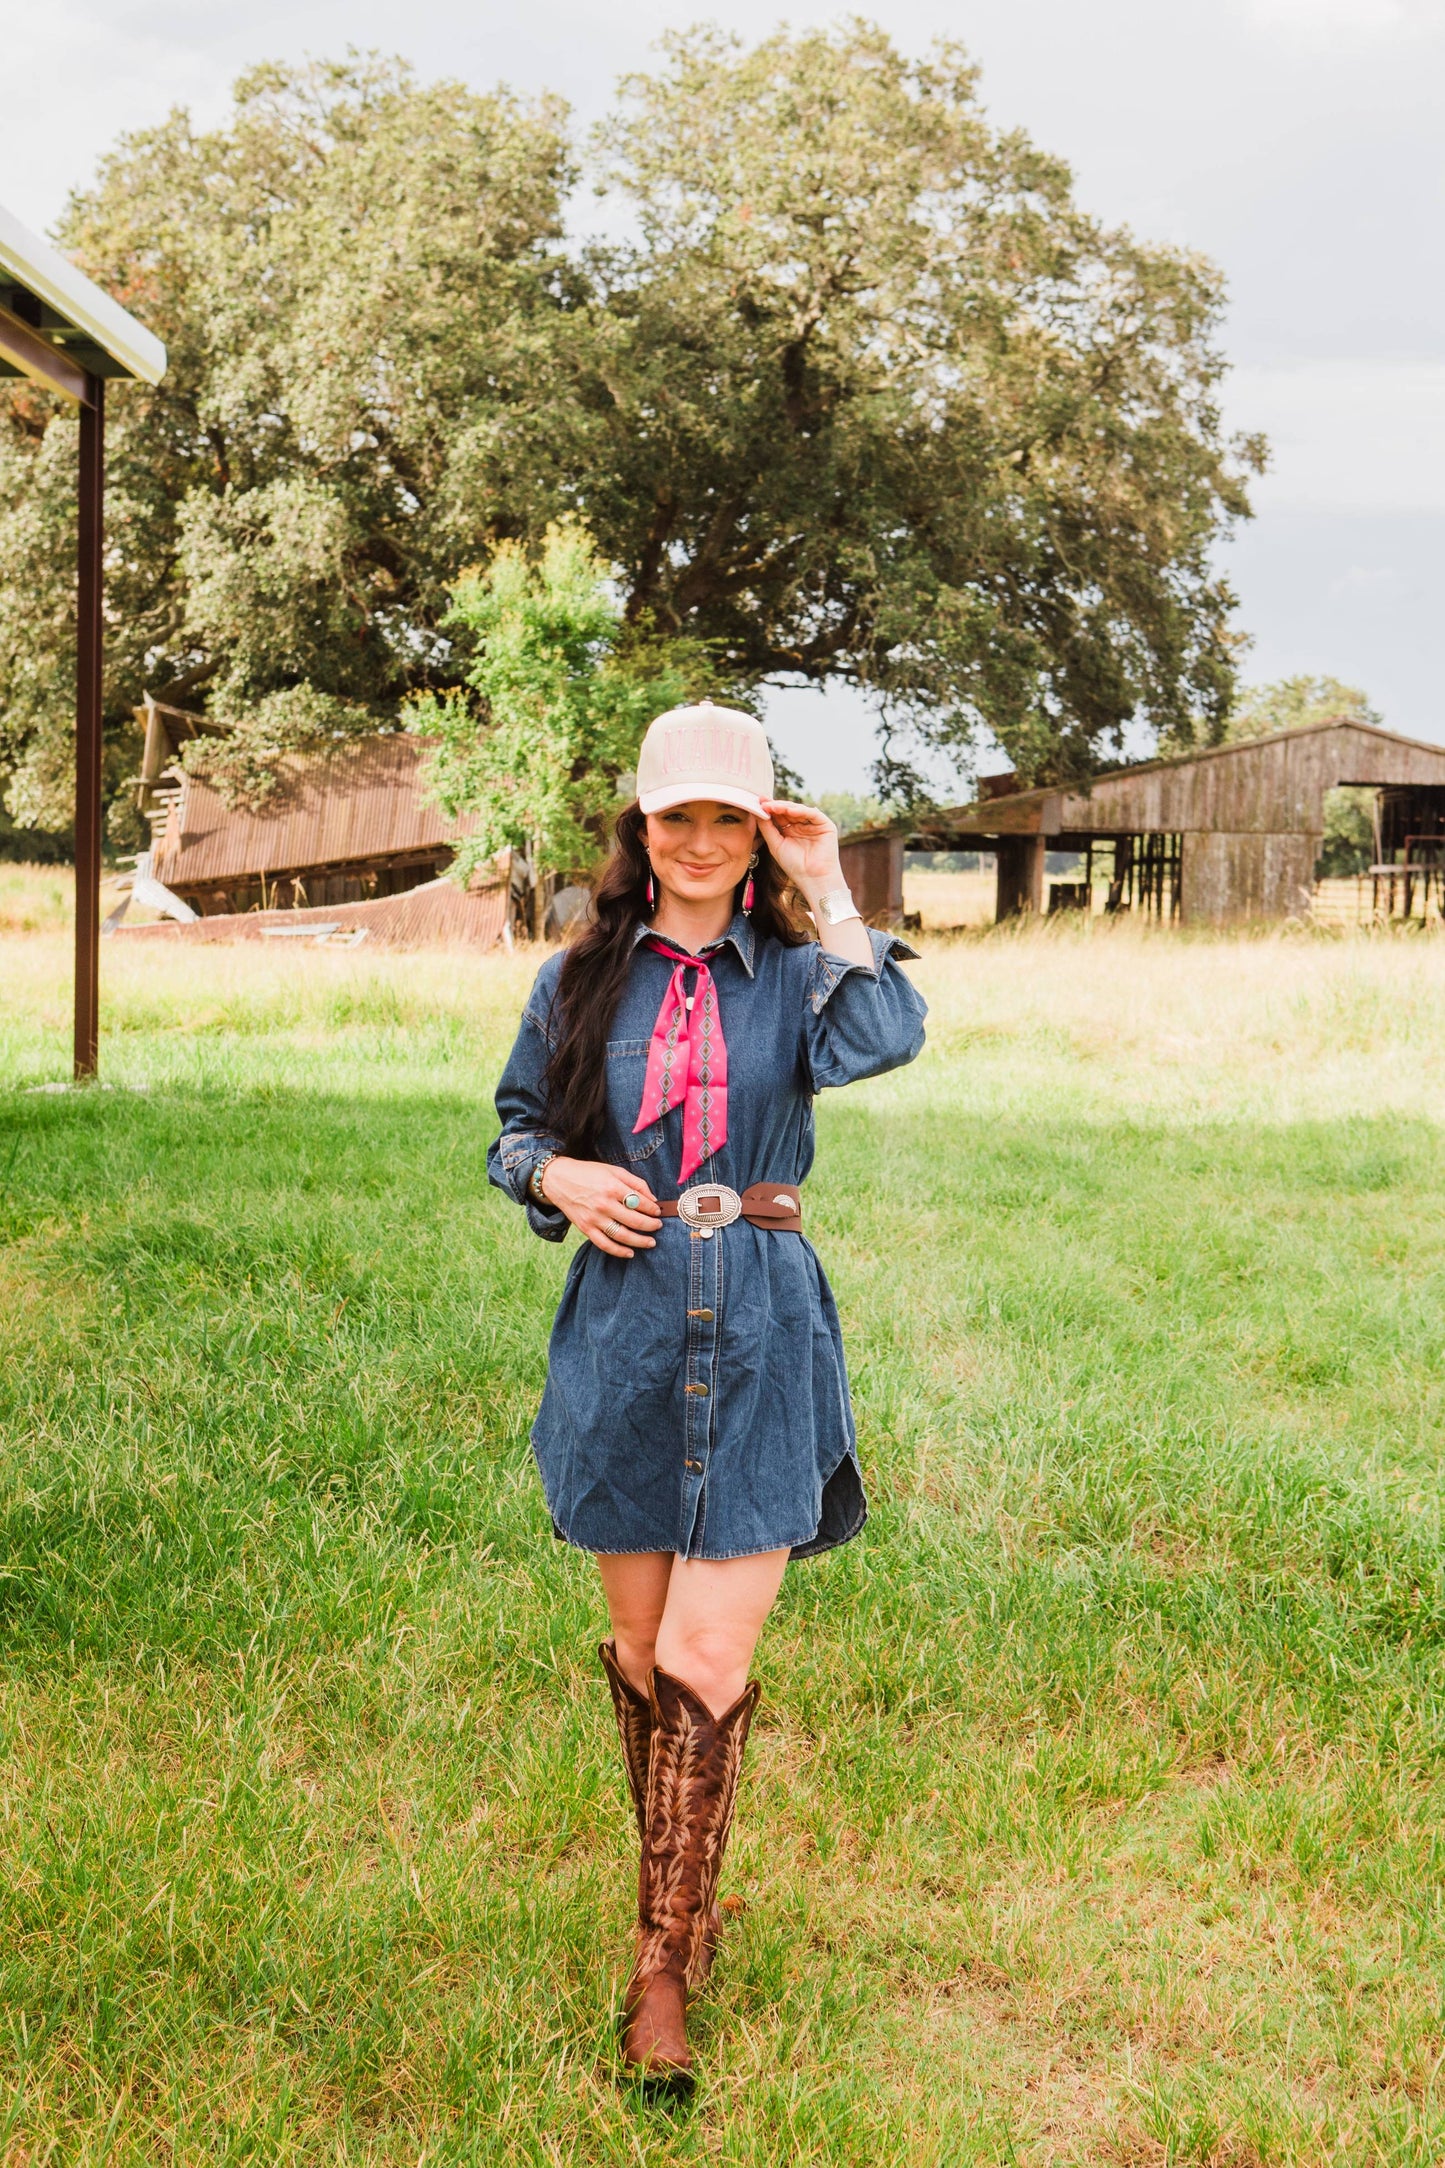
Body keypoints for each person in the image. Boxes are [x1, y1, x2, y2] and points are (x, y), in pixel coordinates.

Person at [488, 701, 927, 2087]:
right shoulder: (576, 982)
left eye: (723, 817)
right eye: (672, 815)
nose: (692, 839)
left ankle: (657, 1970)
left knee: (704, 1660)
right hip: (622, 1330)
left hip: (757, 1327)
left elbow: (893, 1033)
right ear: (640, 829)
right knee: (635, 1657)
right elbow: (513, 1131)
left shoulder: (802, 979)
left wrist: (827, 884)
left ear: (755, 835)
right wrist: (556, 1175)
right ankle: (682, 1904)